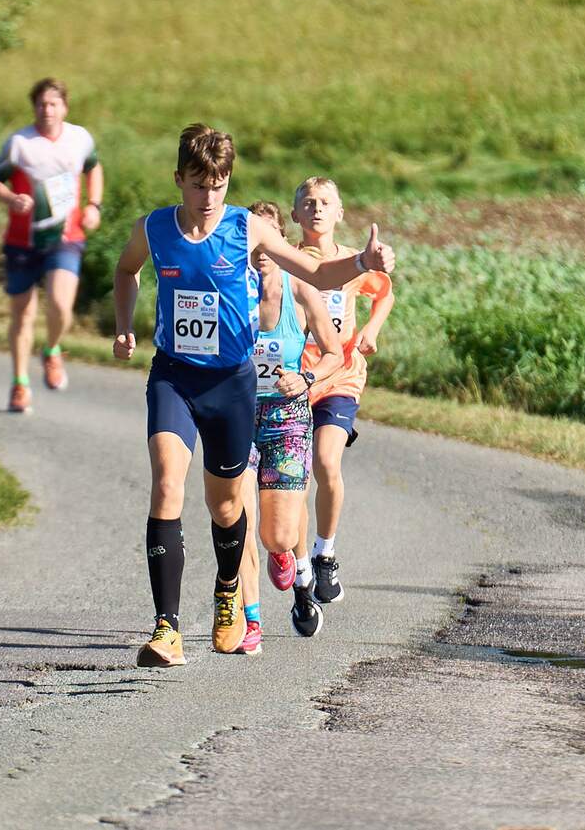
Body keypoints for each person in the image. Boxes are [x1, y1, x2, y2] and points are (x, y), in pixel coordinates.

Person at [112, 124, 394, 667]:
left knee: (225, 507)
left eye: (218, 184)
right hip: (173, 374)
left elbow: (313, 269)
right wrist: (126, 324)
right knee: (167, 483)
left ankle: (227, 589)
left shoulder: (246, 229)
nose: (209, 196)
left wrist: (361, 263)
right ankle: (166, 628)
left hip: (232, 382)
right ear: (179, 181)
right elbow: (127, 270)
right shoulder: (154, 229)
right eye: (198, 184)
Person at [234, 201, 343, 654]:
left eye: (268, 237)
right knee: (235, 521)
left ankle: (293, 565)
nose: (260, 248)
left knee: (275, 534)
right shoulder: (229, 289)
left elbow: (336, 352)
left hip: (286, 417)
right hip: (237, 416)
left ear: (279, 241)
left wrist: (308, 377)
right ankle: (250, 621)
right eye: (251, 239)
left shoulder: (301, 290)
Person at [292, 177, 395, 605]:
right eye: (308, 202)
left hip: (341, 376)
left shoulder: (354, 264)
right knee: (293, 480)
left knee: (326, 460)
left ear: (339, 213)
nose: (316, 209)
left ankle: (325, 554)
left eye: (325, 202)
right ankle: (298, 566)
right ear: (295, 214)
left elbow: (384, 292)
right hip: (293, 379)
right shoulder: (287, 261)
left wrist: (371, 329)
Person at [0, 78, 104, 413]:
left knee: (60, 305)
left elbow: (94, 168)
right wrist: (11, 198)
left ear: (65, 107)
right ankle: (20, 383)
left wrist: (94, 206)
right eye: (41, 104)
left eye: (53, 104)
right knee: (22, 315)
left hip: (66, 238)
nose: (47, 110)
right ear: (33, 107)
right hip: (23, 241)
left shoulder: (79, 138)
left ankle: (52, 349)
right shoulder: (19, 144)